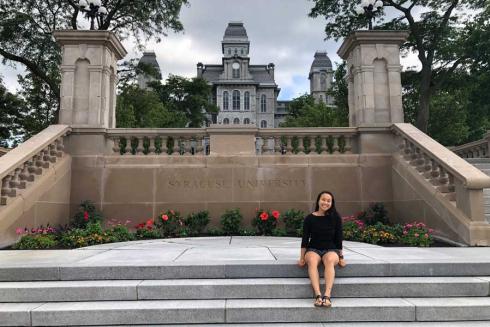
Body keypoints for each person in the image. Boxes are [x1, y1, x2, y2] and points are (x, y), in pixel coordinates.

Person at [297, 190, 346, 308]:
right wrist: (302, 257)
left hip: (331, 249)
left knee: (329, 260)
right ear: (318, 201)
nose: (326, 202)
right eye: (323, 199)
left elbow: (339, 238)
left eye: (329, 201)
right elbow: (305, 239)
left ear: (332, 203)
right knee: (312, 261)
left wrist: (341, 256)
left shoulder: (335, 218)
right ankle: (318, 295)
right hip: (313, 249)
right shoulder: (309, 218)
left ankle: (327, 296)